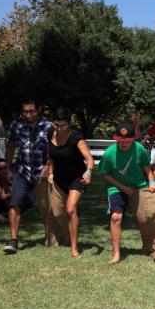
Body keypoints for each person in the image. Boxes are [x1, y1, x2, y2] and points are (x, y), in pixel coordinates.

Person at [98, 121, 155, 263]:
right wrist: (123, 188)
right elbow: (106, 174)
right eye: (120, 141)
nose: (123, 144)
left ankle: (149, 246)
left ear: (133, 139)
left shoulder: (139, 149)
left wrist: (152, 182)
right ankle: (116, 254)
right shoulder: (109, 153)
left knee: (146, 218)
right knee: (115, 217)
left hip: (139, 186)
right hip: (117, 188)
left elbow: (147, 168)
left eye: (126, 141)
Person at [3, 98, 53, 254]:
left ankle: (52, 236)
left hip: (42, 172)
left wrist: (48, 167)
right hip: (22, 170)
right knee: (14, 202)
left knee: (48, 206)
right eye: (25, 111)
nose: (28, 114)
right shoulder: (16, 125)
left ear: (38, 110)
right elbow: (11, 147)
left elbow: (54, 150)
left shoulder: (48, 127)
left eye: (31, 111)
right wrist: (8, 168)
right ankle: (13, 241)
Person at [46, 107, 94, 257]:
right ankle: (64, 236)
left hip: (77, 177)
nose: (59, 129)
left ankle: (74, 248)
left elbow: (89, 159)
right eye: (56, 125)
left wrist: (89, 171)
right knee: (58, 210)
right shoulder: (50, 134)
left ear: (69, 123)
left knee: (70, 209)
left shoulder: (76, 137)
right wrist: (50, 171)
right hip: (59, 178)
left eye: (63, 125)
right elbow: (52, 157)